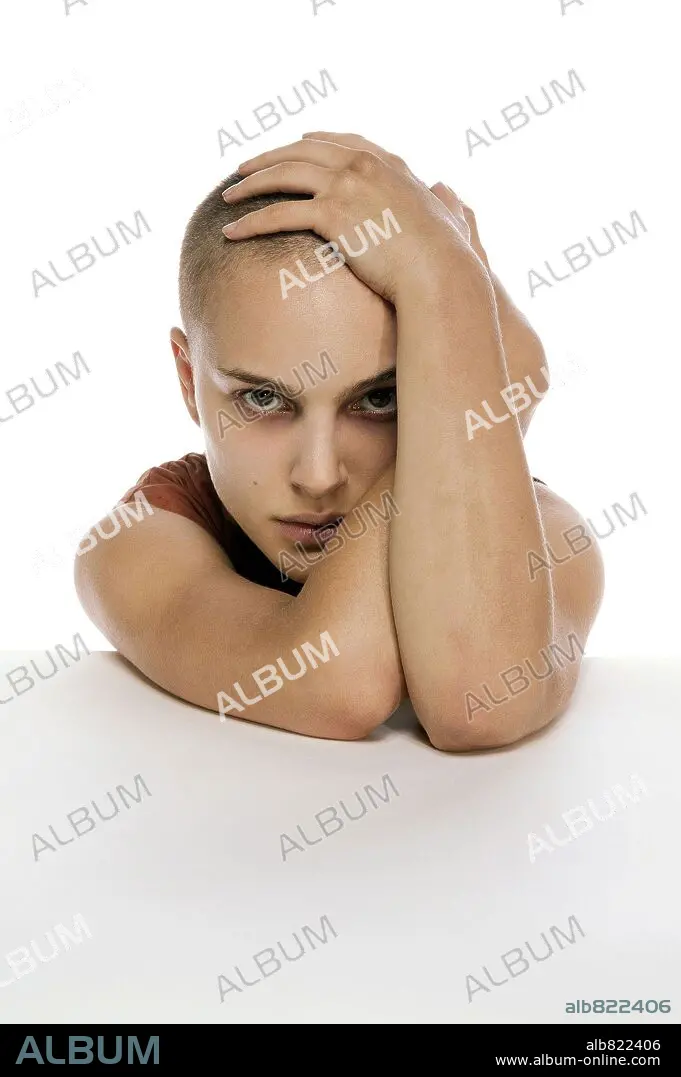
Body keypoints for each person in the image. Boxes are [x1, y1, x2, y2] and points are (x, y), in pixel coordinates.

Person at [74, 132, 604, 749]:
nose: (319, 475)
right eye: (263, 399)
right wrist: (488, 400)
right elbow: (340, 682)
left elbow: (484, 704)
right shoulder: (140, 540)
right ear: (190, 381)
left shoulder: (545, 534)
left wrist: (449, 298)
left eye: (379, 400)